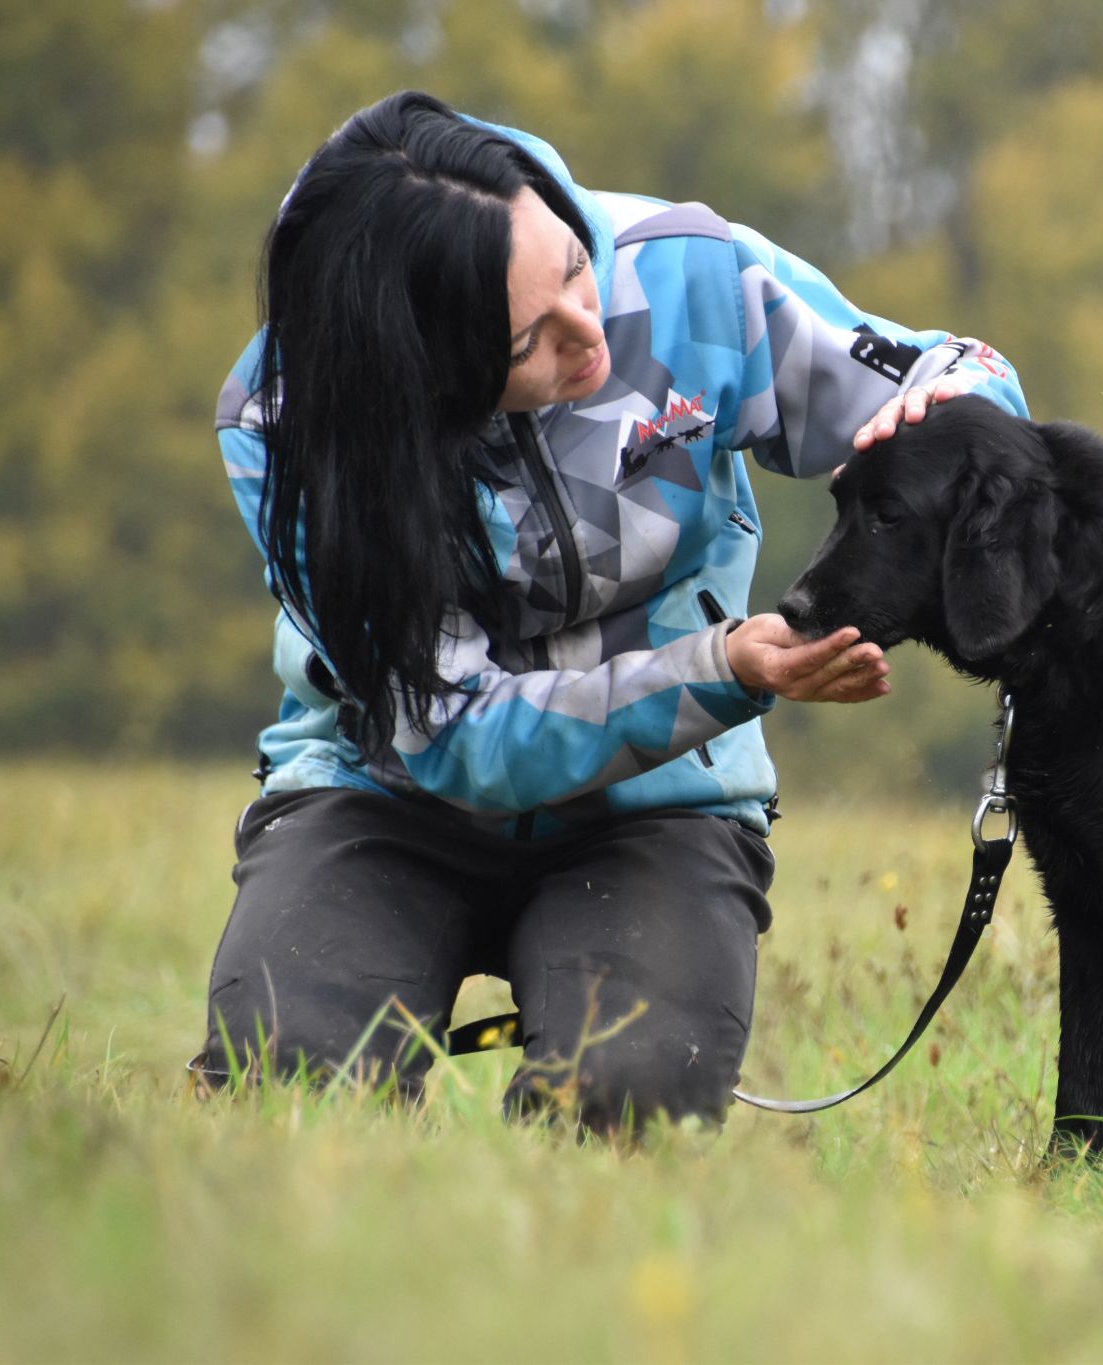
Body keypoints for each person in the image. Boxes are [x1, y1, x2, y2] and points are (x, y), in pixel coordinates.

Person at [195, 90, 1026, 1136]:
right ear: (418, 378)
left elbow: (958, 372)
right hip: (384, 793)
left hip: (659, 805)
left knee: (630, 1102)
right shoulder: (287, 422)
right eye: (525, 342)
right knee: (286, 1092)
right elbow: (455, 737)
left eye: (573, 270)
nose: (589, 336)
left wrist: (950, 408)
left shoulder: (686, 271)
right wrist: (720, 669)